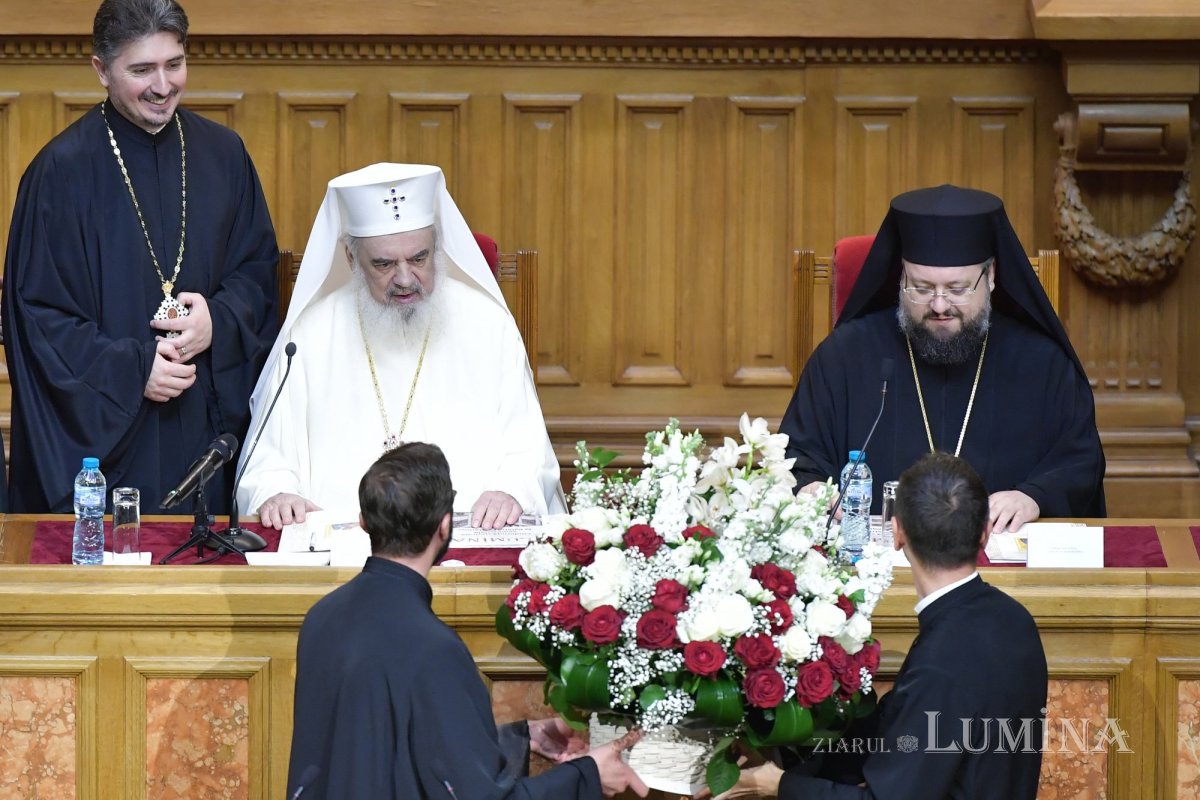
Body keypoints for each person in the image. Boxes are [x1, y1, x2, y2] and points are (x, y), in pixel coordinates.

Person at [2, 0, 278, 513]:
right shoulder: (59, 173)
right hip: (109, 443)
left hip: (202, 419)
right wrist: (132, 370)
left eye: (174, 64)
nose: (163, 85)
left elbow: (258, 272)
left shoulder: (224, 155)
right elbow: (36, 317)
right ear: (101, 71)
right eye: (141, 69)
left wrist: (217, 322)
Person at [286, 441, 648, 799]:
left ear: (364, 522)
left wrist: (520, 738)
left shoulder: (321, 617)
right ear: (444, 525)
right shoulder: (434, 647)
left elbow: (374, 756)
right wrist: (588, 774)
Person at [237, 162, 563, 530]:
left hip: (465, 534)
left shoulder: (488, 323)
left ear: (437, 248)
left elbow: (528, 445)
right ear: (351, 259)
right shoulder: (310, 334)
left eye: (419, 258)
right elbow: (269, 456)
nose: (406, 279)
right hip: (344, 544)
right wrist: (278, 492)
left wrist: (511, 490)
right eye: (384, 264)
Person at [709, 453, 1048, 800]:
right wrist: (793, 768)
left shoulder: (940, 662)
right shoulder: (1017, 619)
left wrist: (776, 785)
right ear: (985, 533)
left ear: (897, 532)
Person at [780, 185, 1105, 532]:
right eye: (920, 288)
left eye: (957, 289)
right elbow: (797, 456)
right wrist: (811, 489)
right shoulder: (844, 356)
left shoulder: (1043, 363)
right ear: (900, 276)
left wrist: (1033, 497)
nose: (938, 305)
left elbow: (1079, 460)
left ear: (991, 276)